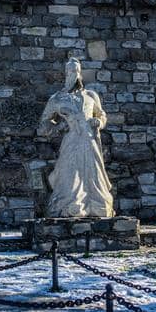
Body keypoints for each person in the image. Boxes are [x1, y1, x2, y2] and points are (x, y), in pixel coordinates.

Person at [36, 57, 115, 218]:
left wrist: (98, 122)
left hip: (89, 140)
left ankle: (96, 203)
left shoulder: (91, 95)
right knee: (68, 174)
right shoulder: (57, 98)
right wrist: (58, 127)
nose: (75, 74)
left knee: (93, 176)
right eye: (71, 70)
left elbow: (102, 115)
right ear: (66, 73)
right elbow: (43, 125)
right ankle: (70, 204)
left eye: (77, 70)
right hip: (71, 140)